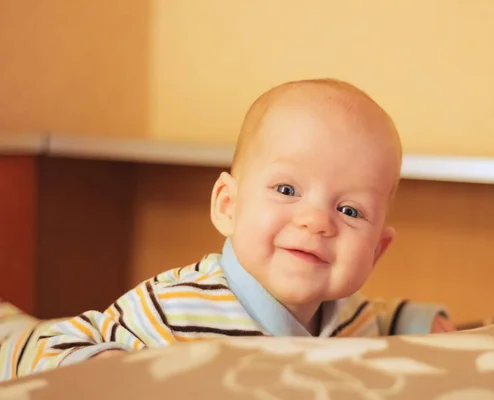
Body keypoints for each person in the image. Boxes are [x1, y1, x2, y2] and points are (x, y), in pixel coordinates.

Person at [25, 78, 455, 376]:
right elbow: (46, 349)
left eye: (349, 211)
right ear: (227, 205)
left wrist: (417, 322)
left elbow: (380, 319)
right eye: (287, 189)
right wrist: (113, 375)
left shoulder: (352, 318)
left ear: (376, 251)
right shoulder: (174, 309)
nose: (316, 221)